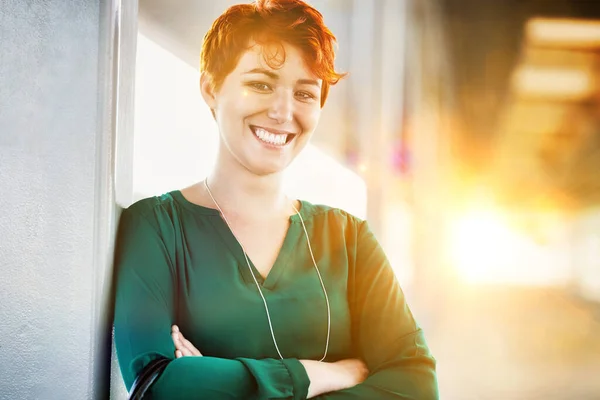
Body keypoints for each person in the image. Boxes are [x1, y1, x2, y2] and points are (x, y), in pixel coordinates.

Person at [113, 0, 438, 398]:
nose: (283, 112)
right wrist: (319, 376)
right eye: (261, 84)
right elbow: (157, 388)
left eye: (304, 94)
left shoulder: (350, 240)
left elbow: (416, 384)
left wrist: (213, 381)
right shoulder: (157, 227)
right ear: (210, 88)